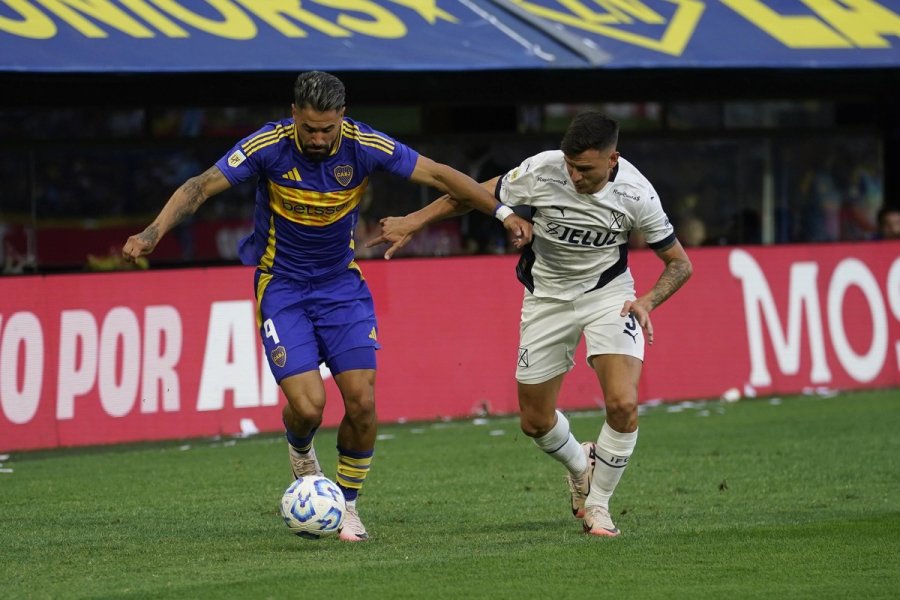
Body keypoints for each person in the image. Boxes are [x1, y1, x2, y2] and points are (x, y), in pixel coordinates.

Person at [122, 71, 531, 542]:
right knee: (309, 407)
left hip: (341, 287)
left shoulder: (363, 144)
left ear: (342, 117)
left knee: (362, 403)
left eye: (327, 129)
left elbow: (440, 175)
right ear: (294, 114)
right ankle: (301, 452)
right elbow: (200, 186)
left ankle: (348, 505)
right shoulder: (268, 146)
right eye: (310, 128)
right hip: (283, 288)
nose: (318, 138)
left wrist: (503, 213)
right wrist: (153, 231)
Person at [368, 112, 692, 537]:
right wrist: (415, 220)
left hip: (609, 297)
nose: (574, 176)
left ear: (613, 159)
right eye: (571, 165)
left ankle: (599, 506)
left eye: (586, 169)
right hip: (545, 299)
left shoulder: (637, 194)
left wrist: (649, 299)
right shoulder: (542, 169)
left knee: (623, 404)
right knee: (535, 422)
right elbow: (469, 195)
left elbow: (679, 264)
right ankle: (580, 465)